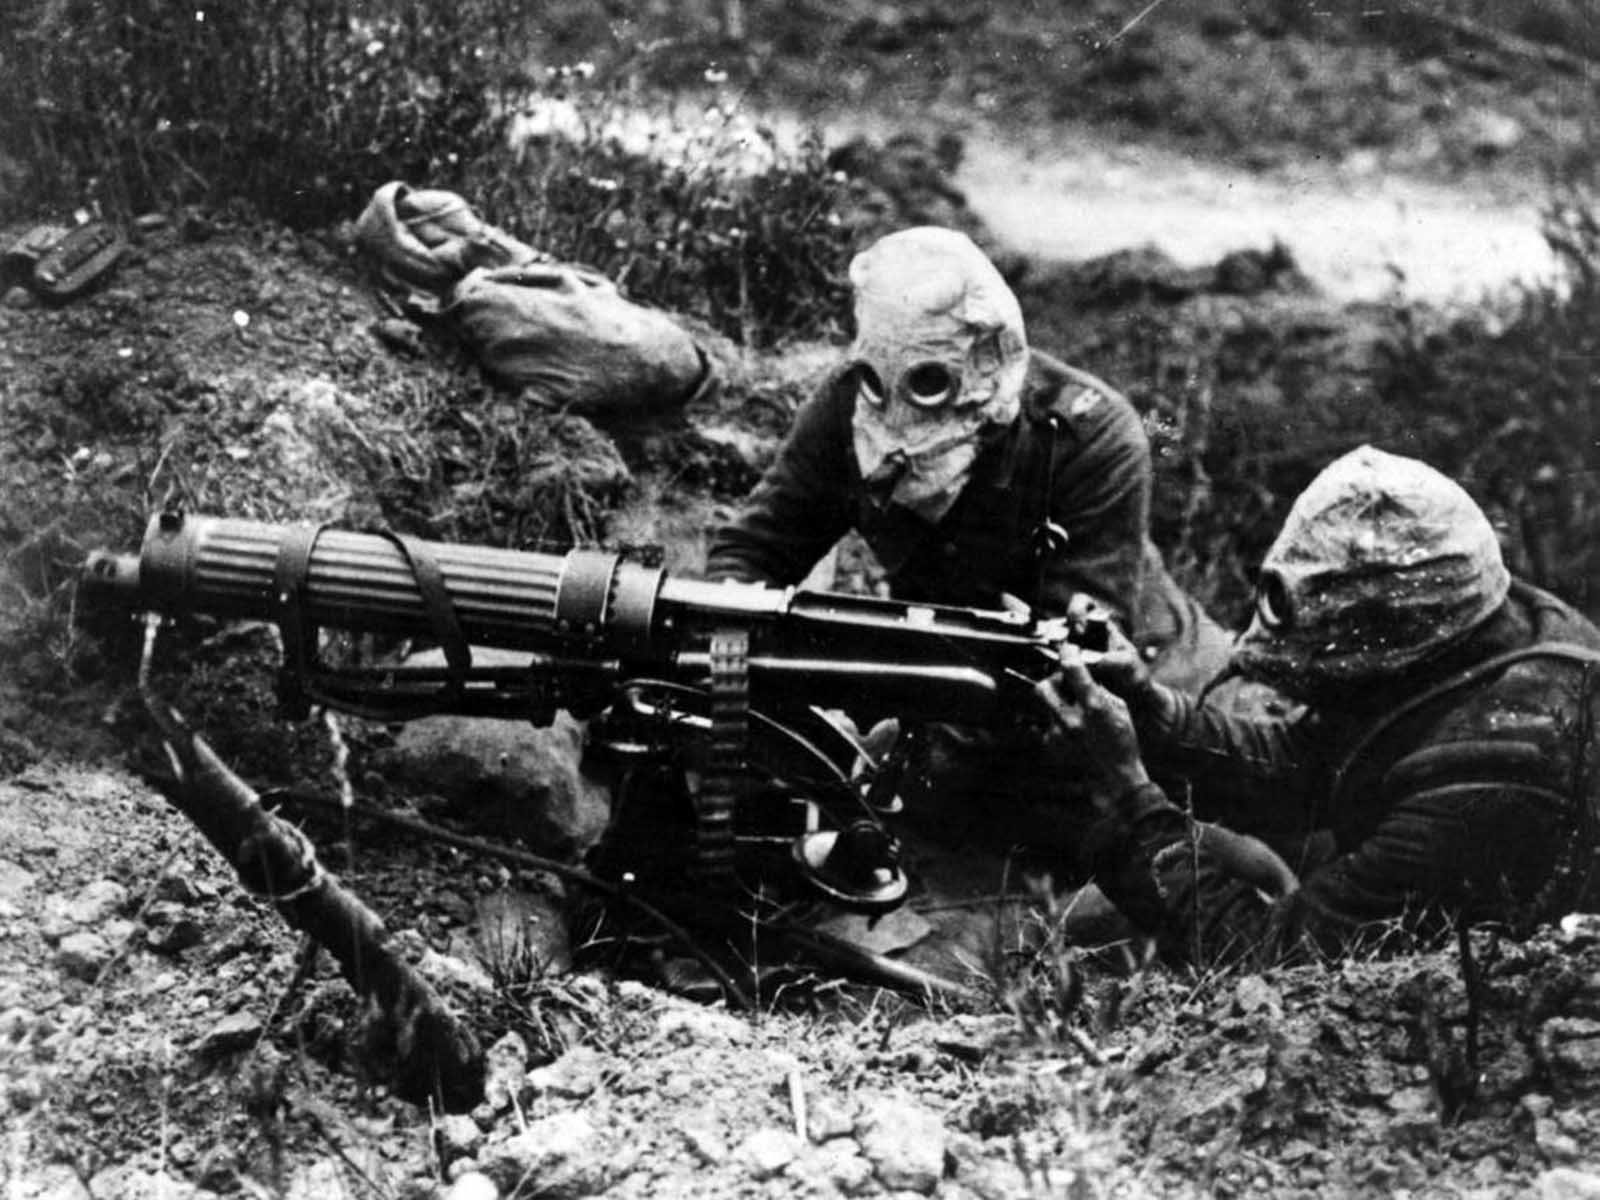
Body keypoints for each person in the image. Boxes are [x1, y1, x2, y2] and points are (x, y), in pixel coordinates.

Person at [704, 225, 1228, 861]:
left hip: (1140, 684)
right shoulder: (848, 406)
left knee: (1172, 865)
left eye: (931, 384)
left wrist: (888, 741)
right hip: (955, 681)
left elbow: (1072, 672)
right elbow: (755, 547)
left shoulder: (1092, 436)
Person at [1037, 445, 1600, 964]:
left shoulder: (1498, 773)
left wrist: (1127, 798)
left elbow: (1269, 957)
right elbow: (1310, 763)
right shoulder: (1473, 626)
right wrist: (1155, 715)